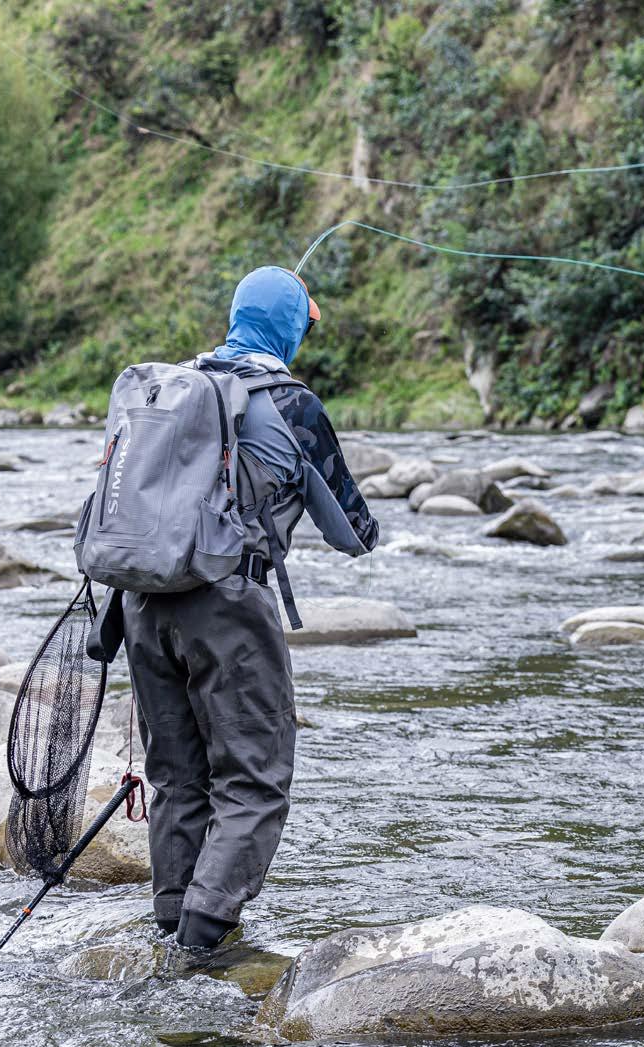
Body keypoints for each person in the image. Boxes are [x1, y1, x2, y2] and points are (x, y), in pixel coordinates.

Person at [122, 266, 380, 951]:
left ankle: (171, 933)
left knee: (177, 779)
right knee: (254, 782)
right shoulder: (294, 405)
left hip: (142, 606)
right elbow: (354, 535)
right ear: (290, 328)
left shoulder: (173, 386)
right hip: (228, 607)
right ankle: (201, 948)